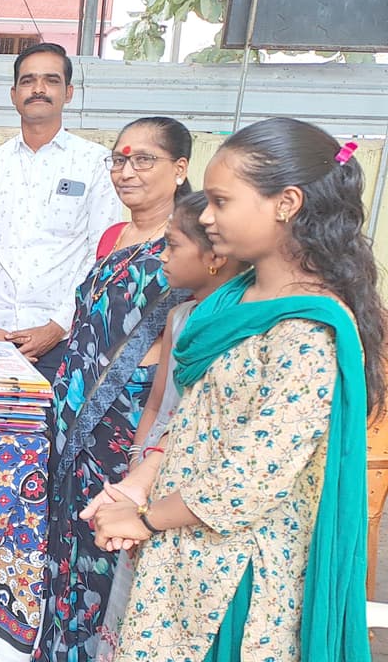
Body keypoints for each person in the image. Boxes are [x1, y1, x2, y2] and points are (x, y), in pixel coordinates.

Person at [91, 118, 383, 662]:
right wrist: (137, 486)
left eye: (222, 201)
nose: (206, 215)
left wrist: (145, 519)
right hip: (180, 548)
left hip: (236, 575)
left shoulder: (307, 331)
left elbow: (249, 478)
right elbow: (192, 419)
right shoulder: (233, 300)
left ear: (286, 203)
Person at [34, 117, 193, 662]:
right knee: (66, 539)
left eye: (144, 159)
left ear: (180, 169)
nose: (127, 172)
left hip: (125, 418)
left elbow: (175, 344)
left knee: (107, 539)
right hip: (72, 410)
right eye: (119, 160)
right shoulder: (113, 237)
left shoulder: (188, 246)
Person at [89, 191, 244, 662]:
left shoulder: (237, 327)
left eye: (173, 246)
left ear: (215, 257)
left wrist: (147, 504)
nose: (161, 257)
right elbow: (157, 406)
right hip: (152, 473)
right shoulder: (179, 317)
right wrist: (134, 478)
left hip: (196, 489)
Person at [0, 42, 121, 381]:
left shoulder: (95, 164)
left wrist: (56, 328)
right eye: (28, 81)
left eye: (51, 80)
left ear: (68, 93)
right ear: (14, 95)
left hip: (64, 342)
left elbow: (101, 255)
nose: (38, 89)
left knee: (55, 419)